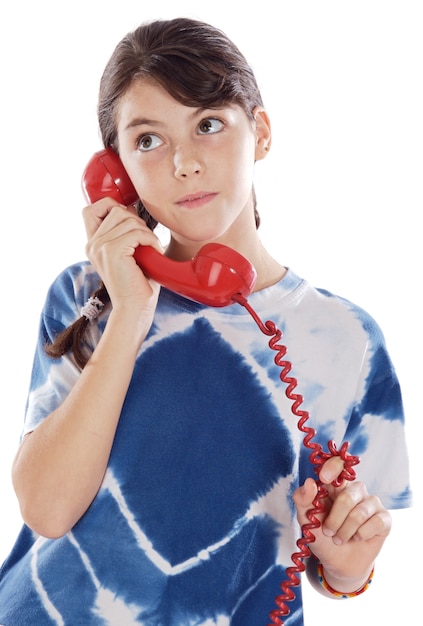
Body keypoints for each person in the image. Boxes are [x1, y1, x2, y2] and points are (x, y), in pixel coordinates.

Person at [0, 17, 411, 626]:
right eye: (147, 140)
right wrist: (133, 308)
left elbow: (336, 558)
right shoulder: (88, 297)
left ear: (262, 132)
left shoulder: (348, 338)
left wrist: (349, 568)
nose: (185, 162)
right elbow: (48, 508)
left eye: (209, 124)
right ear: (114, 173)